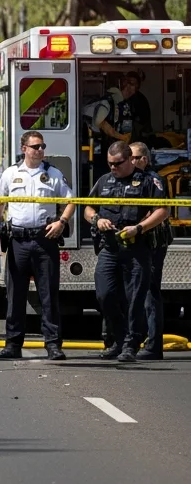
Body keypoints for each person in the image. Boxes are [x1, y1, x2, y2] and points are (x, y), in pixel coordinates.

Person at [0, 130, 76, 361]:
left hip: (44, 240)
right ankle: (13, 344)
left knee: (48, 295)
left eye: (42, 146)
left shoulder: (53, 174)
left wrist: (61, 222)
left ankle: (53, 345)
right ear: (24, 148)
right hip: (18, 241)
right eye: (35, 146)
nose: (40, 150)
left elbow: (70, 201)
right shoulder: (11, 174)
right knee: (15, 295)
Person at [84, 140, 168, 363]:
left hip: (137, 247)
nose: (113, 167)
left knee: (135, 299)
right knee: (105, 294)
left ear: (130, 159)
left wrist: (139, 228)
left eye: (118, 163)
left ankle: (131, 344)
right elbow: (88, 207)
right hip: (110, 248)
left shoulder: (148, 181)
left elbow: (162, 211)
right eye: (110, 163)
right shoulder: (104, 180)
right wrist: (97, 219)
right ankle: (119, 339)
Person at [130, 142, 170, 360]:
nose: (130, 161)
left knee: (149, 293)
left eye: (134, 157)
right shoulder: (127, 180)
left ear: (144, 159)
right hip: (136, 243)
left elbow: (158, 211)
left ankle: (154, 346)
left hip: (152, 242)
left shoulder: (154, 180)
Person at [87, 76, 136, 182]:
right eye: (132, 88)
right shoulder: (107, 102)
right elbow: (101, 123)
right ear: (126, 87)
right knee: (101, 175)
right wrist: (121, 137)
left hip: (103, 146)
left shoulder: (119, 103)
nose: (132, 92)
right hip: (95, 146)